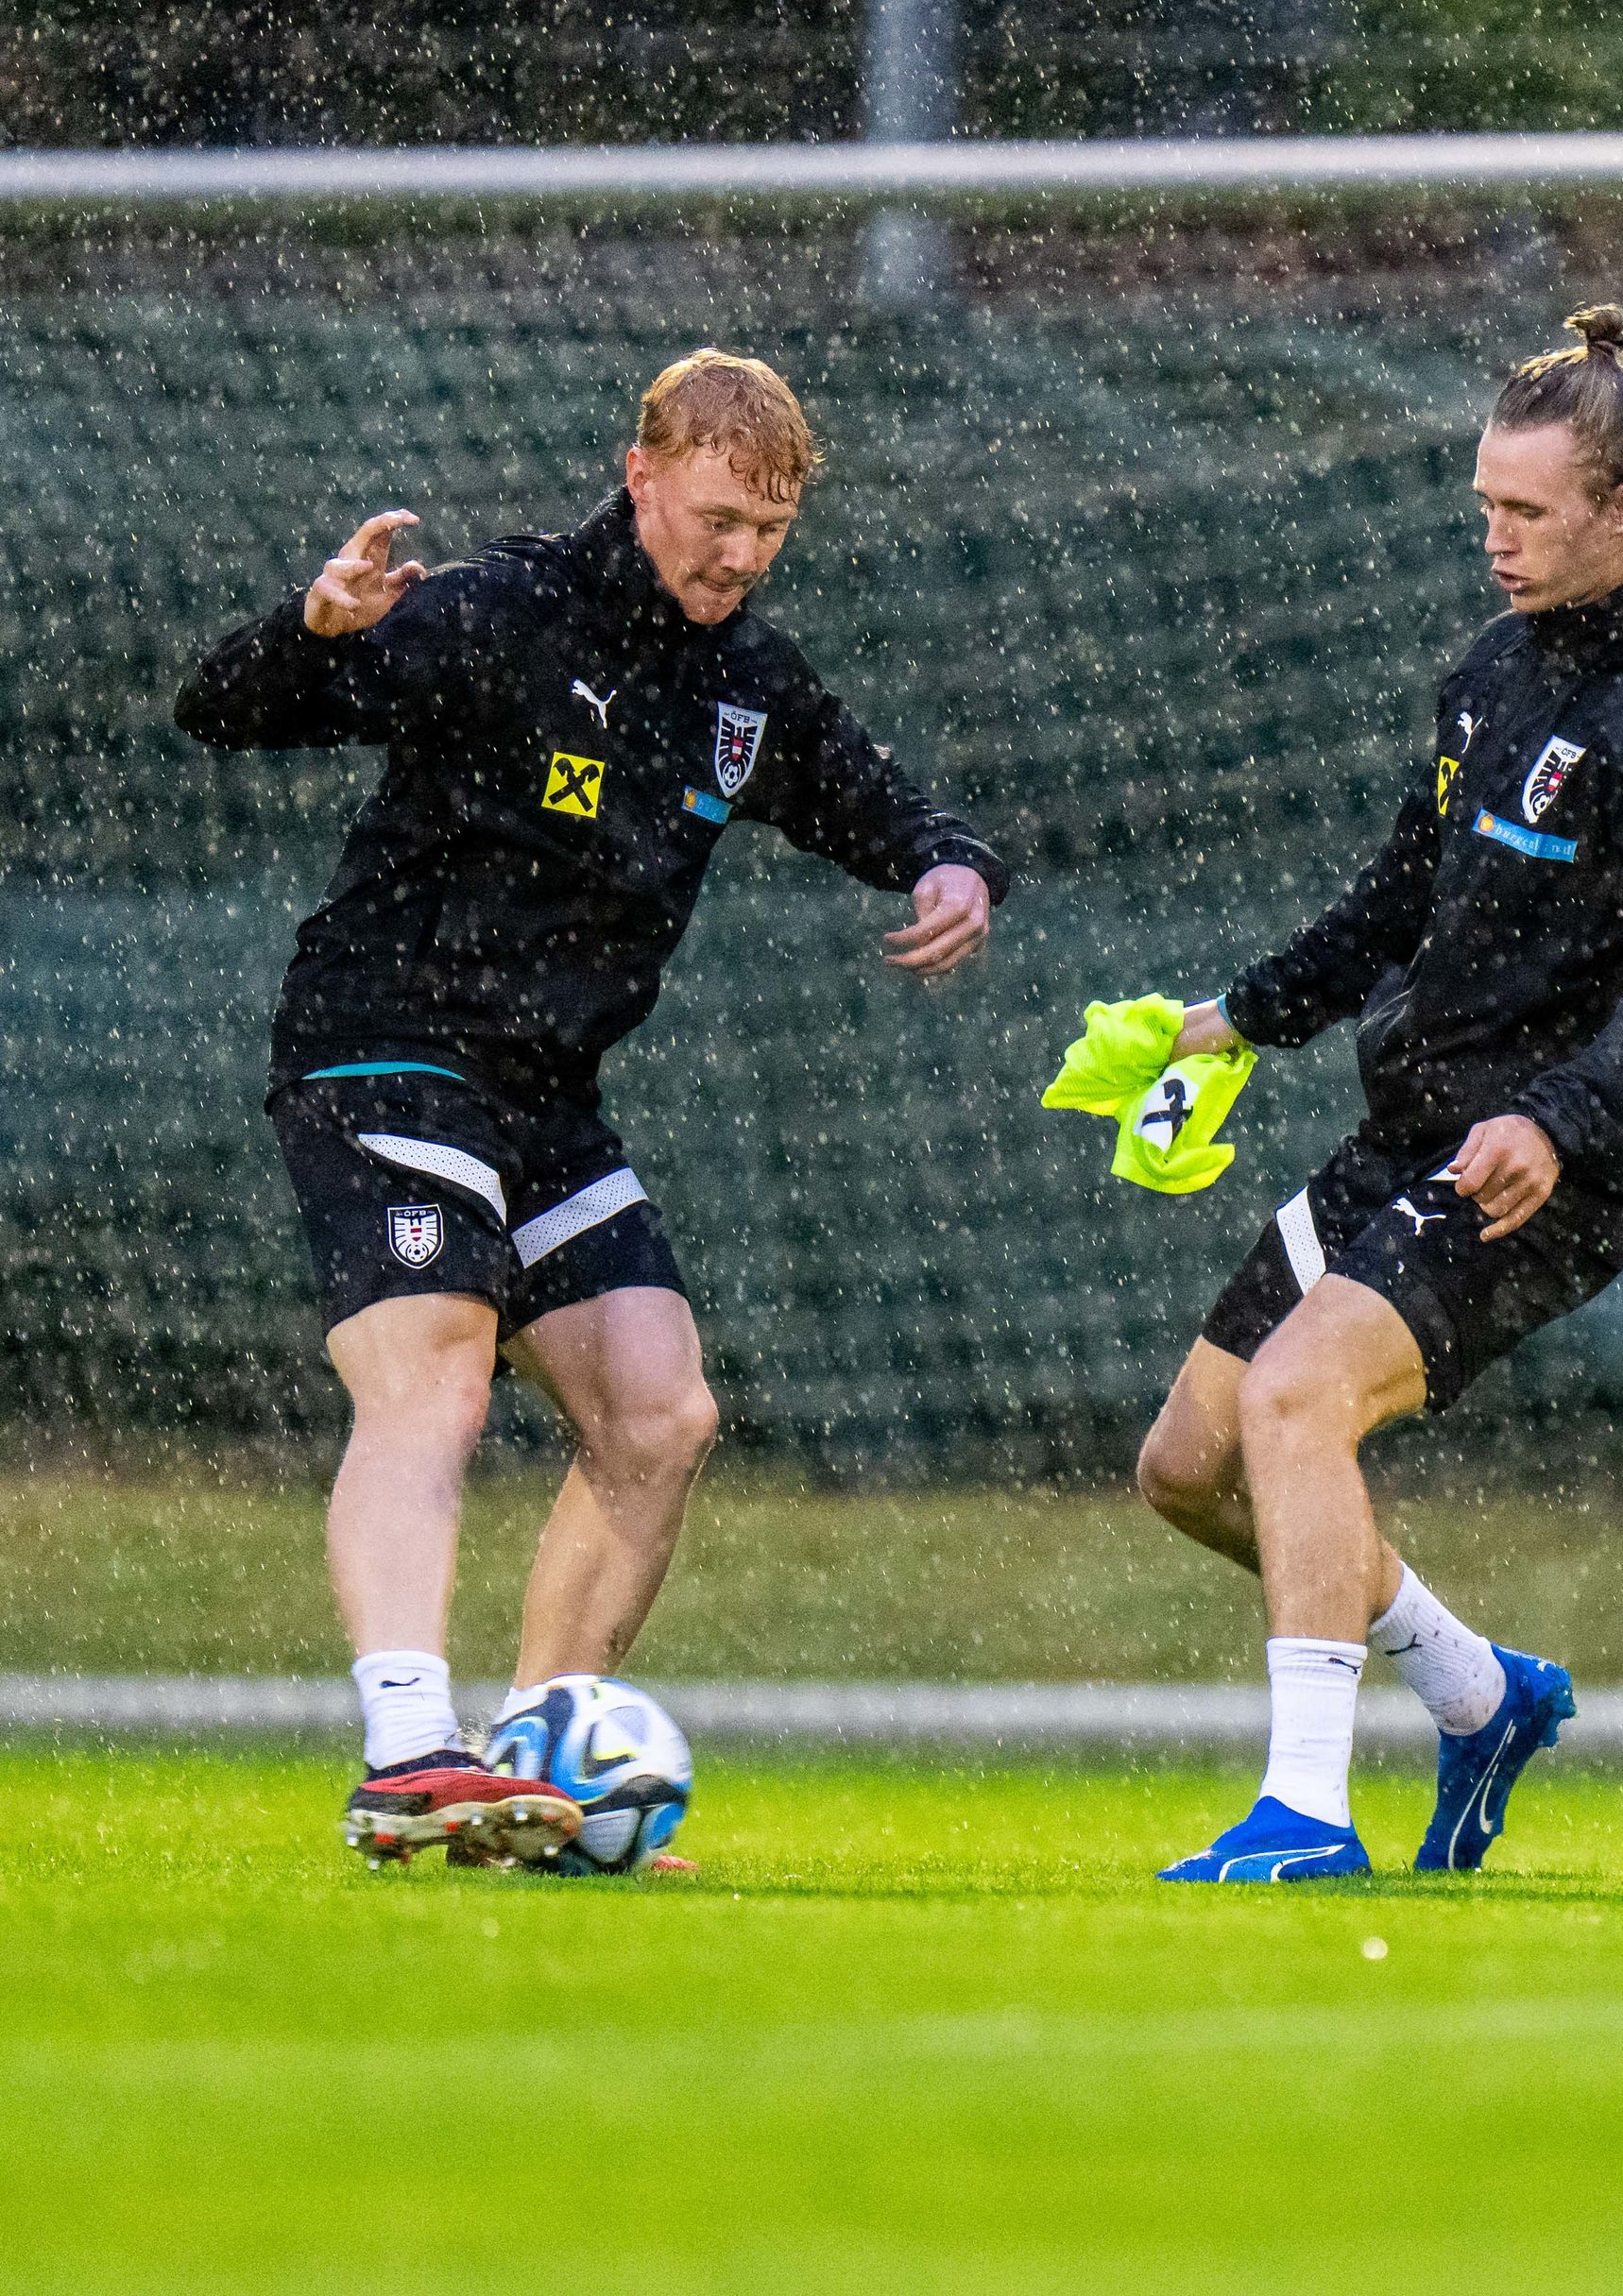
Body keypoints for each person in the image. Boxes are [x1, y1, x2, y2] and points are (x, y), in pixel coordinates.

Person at [173, 350, 1004, 1865]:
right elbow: (220, 710)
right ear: (641, 478)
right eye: (712, 519)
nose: (736, 556)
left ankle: (538, 1773)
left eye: (767, 533)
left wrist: (951, 862)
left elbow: (873, 795)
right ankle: (409, 1751)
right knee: (435, 1376)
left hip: (544, 1090)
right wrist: (311, 628)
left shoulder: (747, 683)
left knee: (659, 1410)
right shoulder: (501, 612)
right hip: (386, 1040)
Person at [1133, 308, 1623, 1885]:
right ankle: (1479, 1691)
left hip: (1538, 1171)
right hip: (1402, 1135)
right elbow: (1399, 897)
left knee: (1295, 1401)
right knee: (1189, 1468)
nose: (1494, 538)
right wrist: (1234, 1017)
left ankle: (1305, 1814)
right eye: (1484, 503)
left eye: (1526, 512)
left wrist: (1559, 1116)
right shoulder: (1489, 673)